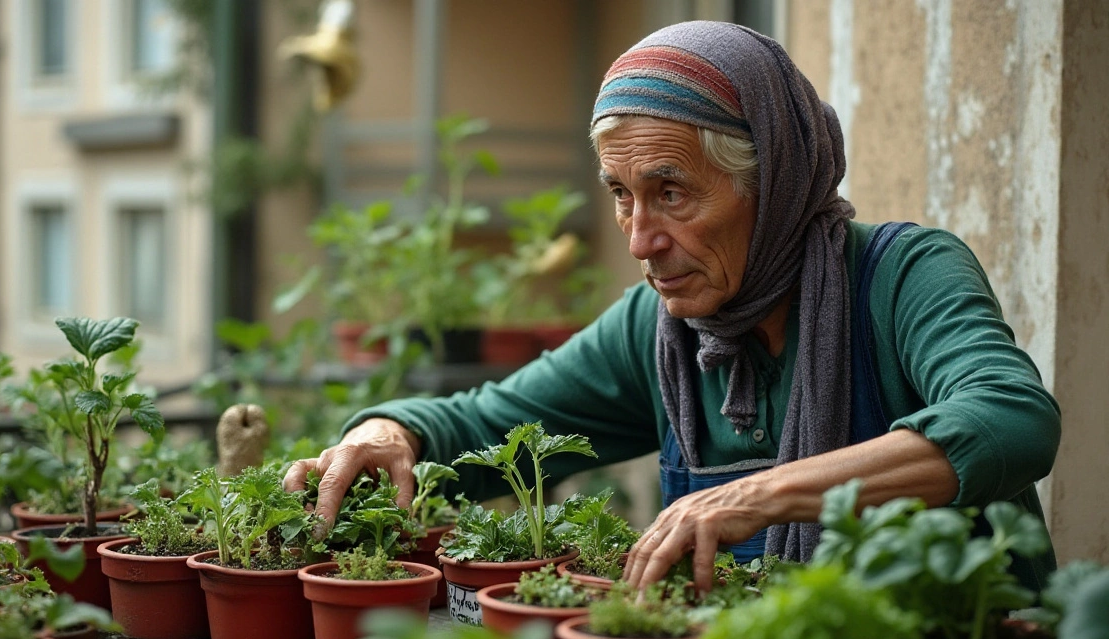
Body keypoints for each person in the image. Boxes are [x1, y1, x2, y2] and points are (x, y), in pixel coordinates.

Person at [283, 21, 1060, 592]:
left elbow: (1012, 419)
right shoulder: (661, 329)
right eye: (621, 196)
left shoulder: (902, 279)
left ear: (773, 180)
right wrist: (391, 433)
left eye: (671, 192)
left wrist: (756, 494)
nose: (639, 240)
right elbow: (488, 425)